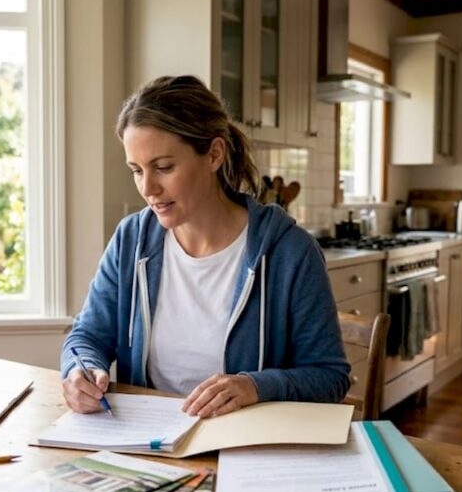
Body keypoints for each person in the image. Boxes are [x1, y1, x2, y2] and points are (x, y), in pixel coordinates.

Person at [60, 75, 350, 419]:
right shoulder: (130, 240)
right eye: (136, 170)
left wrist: (255, 387)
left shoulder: (290, 251)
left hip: (245, 448)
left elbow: (329, 378)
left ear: (214, 154)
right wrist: (79, 371)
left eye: (164, 167)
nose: (148, 188)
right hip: (151, 445)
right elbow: (87, 336)